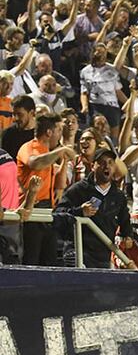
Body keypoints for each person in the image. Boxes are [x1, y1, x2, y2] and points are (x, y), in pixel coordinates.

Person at [53, 146, 131, 268]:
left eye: (111, 162)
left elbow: (125, 220)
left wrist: (127, 236)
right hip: (78, 252)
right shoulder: (78, 190)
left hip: (103, 255)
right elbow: (57, 214)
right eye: (102, 162)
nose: (107, 166)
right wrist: (79, 212)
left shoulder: (118, 196)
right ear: (93, 166)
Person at [17, 110, 73, 266]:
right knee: (31, 261)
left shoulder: (50, 154)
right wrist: (59, 152)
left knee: (49, 262)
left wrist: (64, 162)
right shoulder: (29, 147)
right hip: (30, 211)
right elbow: (35, 163)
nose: (61, 135)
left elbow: (60, 186)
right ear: (49, 132)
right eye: (59, 131)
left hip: (48, 211)